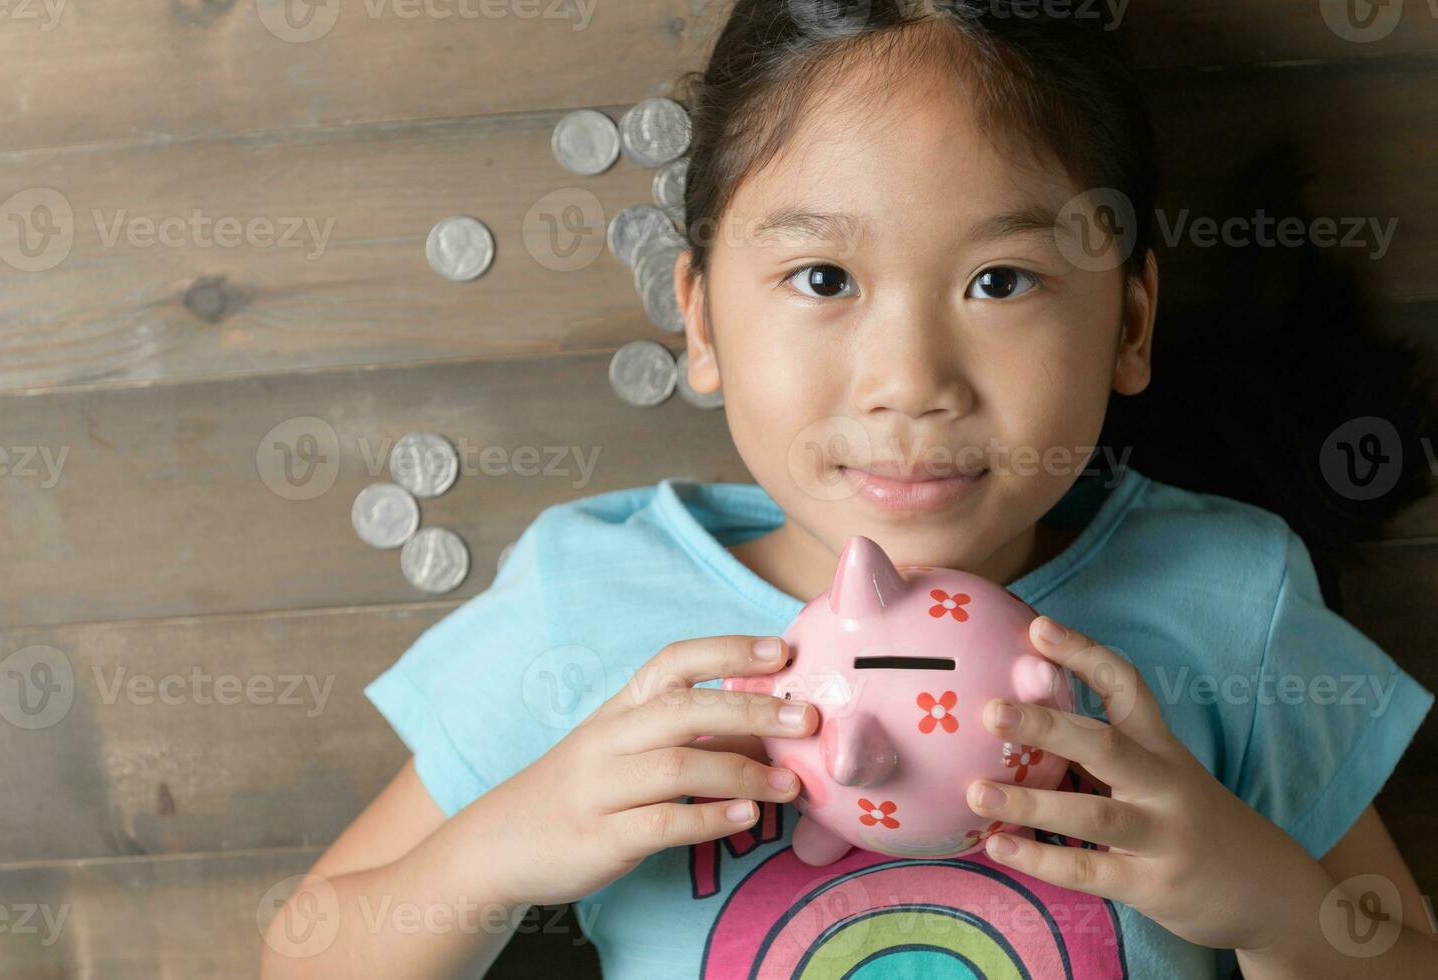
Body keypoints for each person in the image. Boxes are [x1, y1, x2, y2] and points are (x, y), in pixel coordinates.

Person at [261, 2, 1438, 977]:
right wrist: (505, 848)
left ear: (1128, 323)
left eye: (1000, 278)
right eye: (823, 275)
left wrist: (1261, 899)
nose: (909, 382)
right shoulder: (589, 603)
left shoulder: (1224, 598)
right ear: (703, 316)